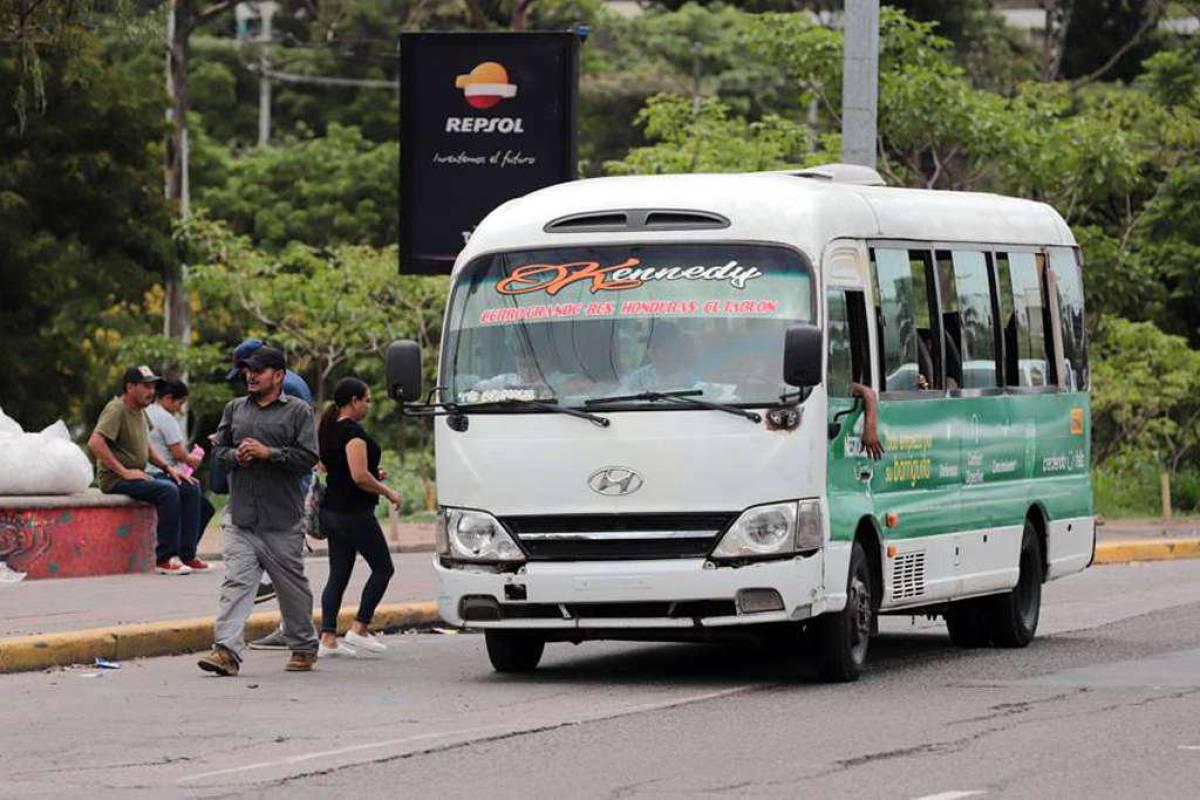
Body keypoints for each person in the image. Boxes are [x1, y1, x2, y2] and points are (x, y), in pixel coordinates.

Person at [197, 347, 320, 676]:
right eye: (248, 371)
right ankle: (226, 651)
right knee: (236, 583)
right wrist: (236, 456)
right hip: (242, 518)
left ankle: (304, 644)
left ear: (278, 376)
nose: (250, 376)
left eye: (259, 371)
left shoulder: (298, 411)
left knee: (290, 589)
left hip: (282, 520)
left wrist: (269, 453)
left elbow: (308, 458)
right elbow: (218, 451)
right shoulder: (234, 409)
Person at [88, 366, 202, 575]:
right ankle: (164, 559)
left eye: (153, 386)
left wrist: (168, 468)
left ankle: (188, 555)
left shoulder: (140, 411)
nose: (151, 391)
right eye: (146, 386)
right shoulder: (116, 409)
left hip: (137, 475)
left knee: (188, 487)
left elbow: (146, 447)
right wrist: (124, 472)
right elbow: (95, 442)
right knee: (168, 491)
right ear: (130, 387)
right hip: (115, 480)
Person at [315, 378, 400, 658]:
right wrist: (387, 491)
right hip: (353, 512)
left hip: (332, 511)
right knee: (383, 568)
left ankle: (327, 638)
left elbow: (334, 468)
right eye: (367, 399)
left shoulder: (329, 429)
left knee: (338, 573)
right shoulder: (352, 432)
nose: (368, 405)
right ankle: (360, 627)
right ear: (354, 401)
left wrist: (374, 473)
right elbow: (359, 476)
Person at [146, 379, 214, 571]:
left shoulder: (147, 412)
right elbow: (178, 454)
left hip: (155, 471)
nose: (180, 409)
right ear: (168, 398)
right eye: (179, 403)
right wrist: (193, 460)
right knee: (192, 490)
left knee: (205, 506)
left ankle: (186, 550)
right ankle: (185, 554)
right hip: (159, 472)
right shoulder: (166, 418)